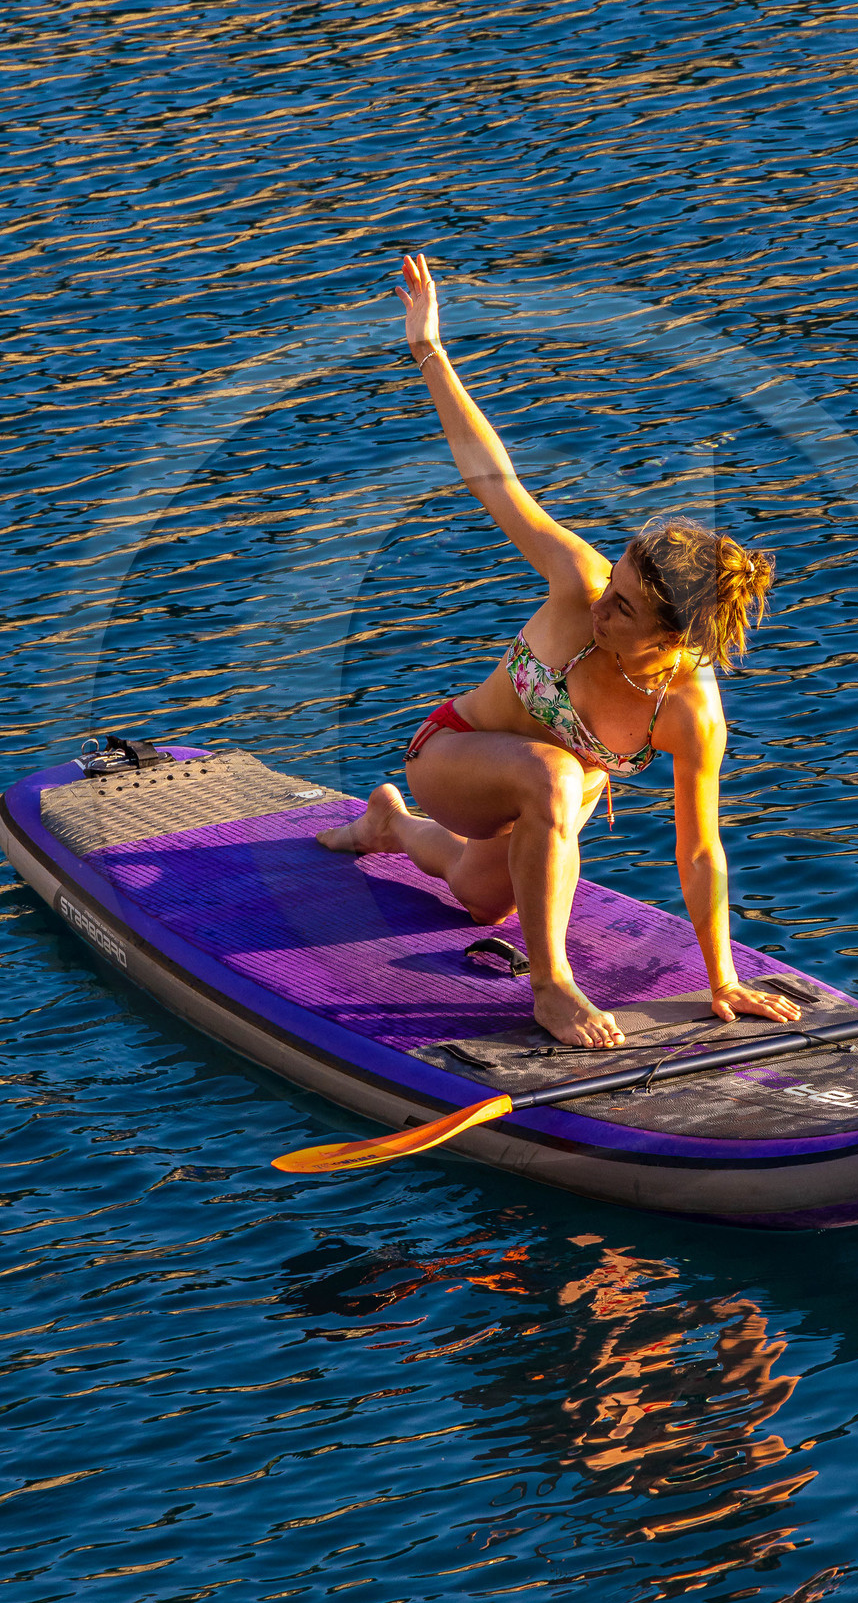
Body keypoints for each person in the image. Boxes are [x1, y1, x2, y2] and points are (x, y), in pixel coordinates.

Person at [318, 252, 801, 1050]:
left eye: (625, 607)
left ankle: (387, 828)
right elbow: (494, 480)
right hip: (454, 758)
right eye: (612, 583)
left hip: (546, 807)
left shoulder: (690, 711)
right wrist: (428, 349)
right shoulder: (580, 579)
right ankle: (551, 987)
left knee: (480, 897)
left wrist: (722, 979)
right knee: (557, 771)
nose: (600, 601)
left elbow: (700, 846)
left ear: (671, 638)